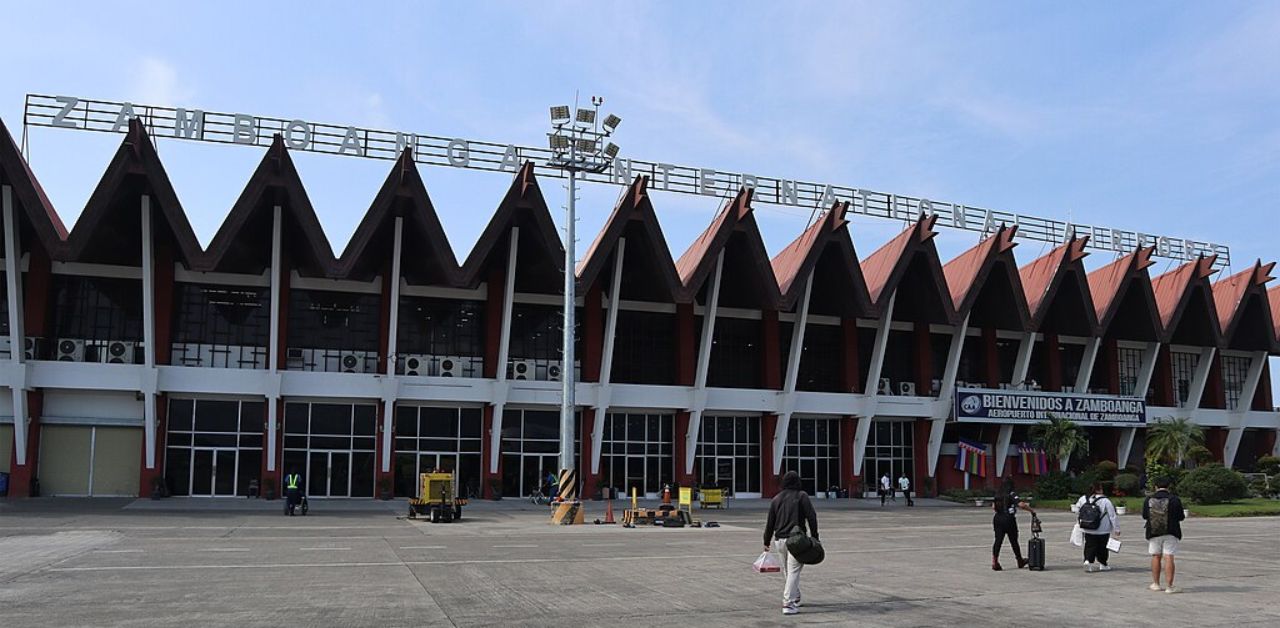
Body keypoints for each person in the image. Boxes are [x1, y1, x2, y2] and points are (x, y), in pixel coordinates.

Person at [763, 471, 818, 616]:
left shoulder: (776, 499)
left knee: (788, 571)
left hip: (779, 540)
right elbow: (812, 517)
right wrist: (815, 536)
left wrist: (766, 541)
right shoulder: (802, 496)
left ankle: (796, 595)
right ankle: (788, 602)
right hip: (796, 540)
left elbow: (770, 523)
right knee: (794, 570)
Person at [1143, 476, 1186, 593]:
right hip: (1171, 531)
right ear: (1169, 486)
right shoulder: (1174, 499)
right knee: (1169, 557)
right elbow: (1181, 517)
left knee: (1156, 556)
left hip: (1154, 531)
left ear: (1155, 486)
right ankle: (1169, 586)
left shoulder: (1149, 499)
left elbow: (1145, 516)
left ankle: (1156, 584)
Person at [1075, 482, 1120, 572]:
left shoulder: (1083, 498)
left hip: (1088, 527)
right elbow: (1112, 515)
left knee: (1089, 545)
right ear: (1099, 489)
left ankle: (1088, 561)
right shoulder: (1105, 500)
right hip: (1103, 529)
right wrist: (1116, 528)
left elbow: (1077, 509)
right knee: (1102, 547)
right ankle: (1103, 563)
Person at [991, 477, 1033, 570]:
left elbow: (993, 507)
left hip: (997, 518)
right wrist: (1031, 511)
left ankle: (995, 561)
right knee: (1014, 541)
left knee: (998, 540)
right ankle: (1019, 560)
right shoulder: (1011, 493)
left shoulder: (998, 494)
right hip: (1008, 519)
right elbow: (1021, 504)